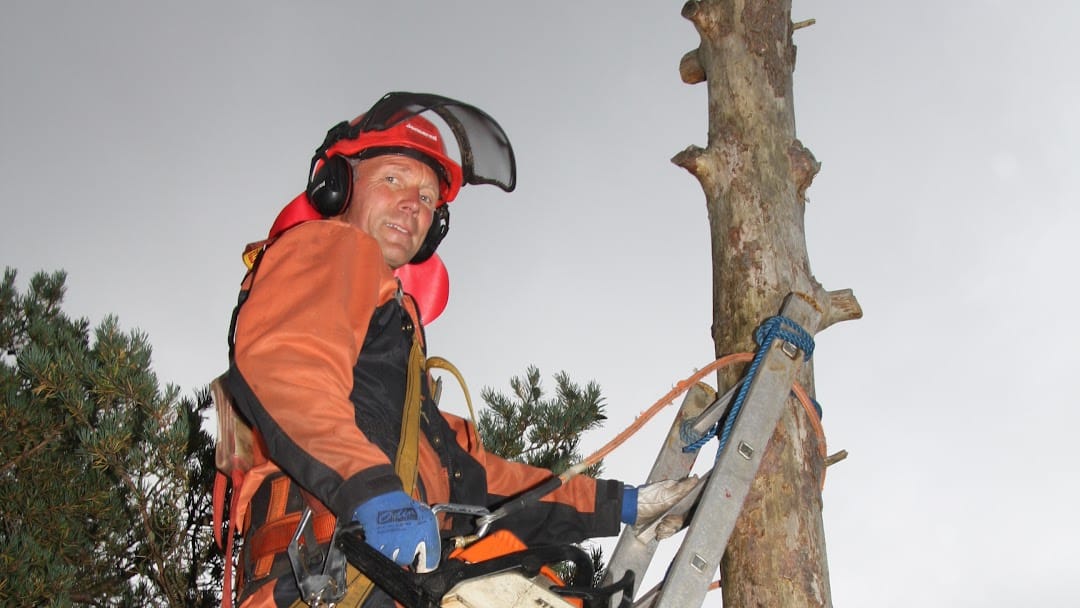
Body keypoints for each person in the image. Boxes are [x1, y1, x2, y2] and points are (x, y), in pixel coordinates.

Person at [221, 92, 695, 608]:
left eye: (428, 199)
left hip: (381, 583)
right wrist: (370, 491)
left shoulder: (395, 390)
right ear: (339, 186)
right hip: (328, 581)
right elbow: (290, 364)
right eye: (394, 179)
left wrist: (620, 505)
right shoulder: (330, 246)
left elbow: (484, 484)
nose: (414, 204)